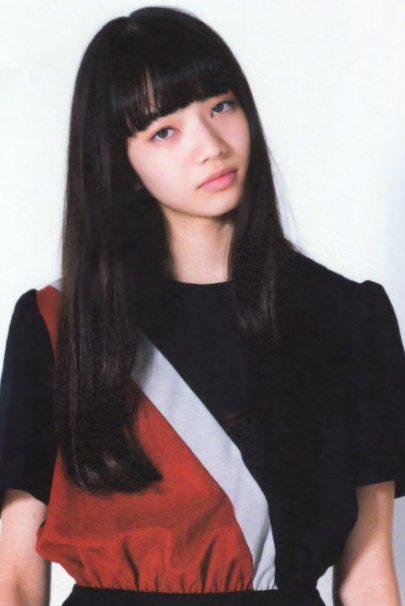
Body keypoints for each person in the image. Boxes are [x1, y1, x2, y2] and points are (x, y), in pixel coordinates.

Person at [0, 6, 404, 606]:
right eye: (164, 131)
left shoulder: (349, 317)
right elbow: (12, 578)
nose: (211, 146)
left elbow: (368, 575)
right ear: (121, 162)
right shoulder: (59, 324)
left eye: (221, 106)